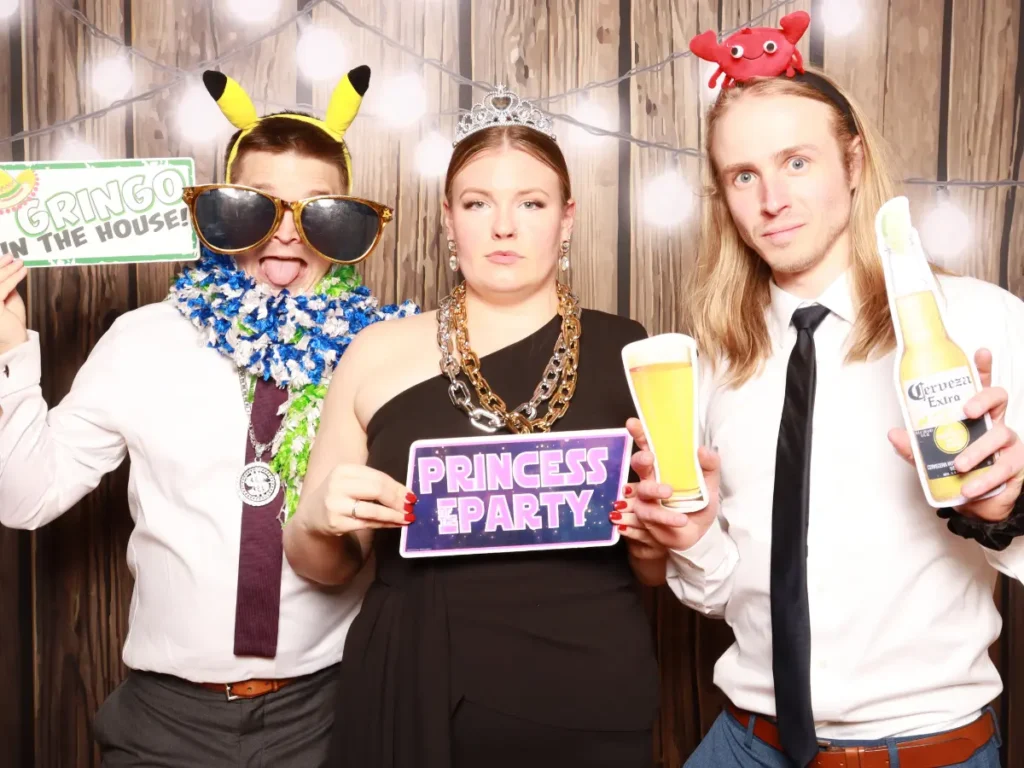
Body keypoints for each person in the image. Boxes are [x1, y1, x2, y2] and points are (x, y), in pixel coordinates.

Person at [623, 14, 1024, 768]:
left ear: (852, 161)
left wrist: (1005, 510)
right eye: (744, 176)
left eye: (796, 162)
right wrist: (692, 536)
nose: (771, 198)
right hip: (748, 742)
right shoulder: (713, 361)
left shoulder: (976, 322)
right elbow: (721, 595)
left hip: (925, 751)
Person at [0, 65, 416, 767]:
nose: (286, 235)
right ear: (219, 214)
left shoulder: (381, 354)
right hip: (165, 723)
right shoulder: (144, 340)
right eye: (258, 206)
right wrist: (10, 348)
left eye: (318, 212)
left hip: (331, 711)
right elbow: (26, 497)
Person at [283, 85, 663, 767]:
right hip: (415, 682)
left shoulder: (628, 350)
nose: (504, 226)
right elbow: (325, 568)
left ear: (566, 218)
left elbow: (657, 567)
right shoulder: (377, 352)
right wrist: (316, 520)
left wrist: (655, 531)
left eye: (532, 203)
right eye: (477, 203)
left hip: (589, 688)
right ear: (448, 220)